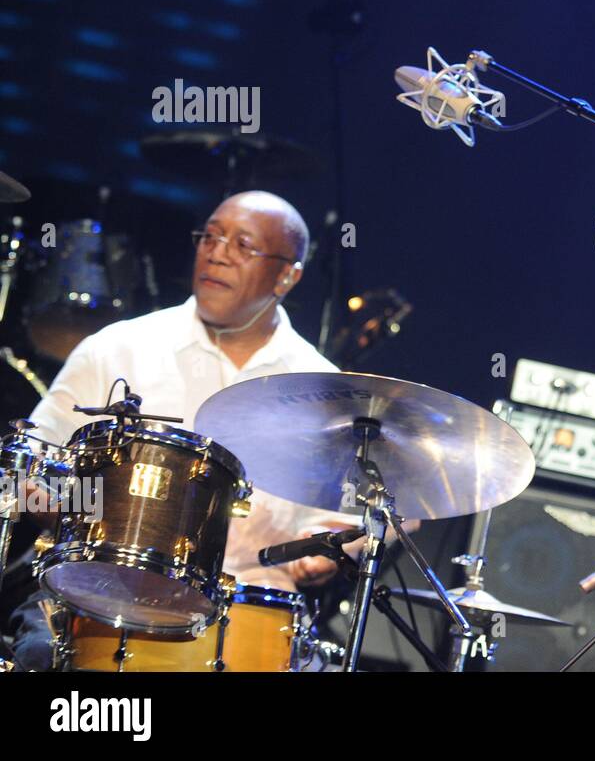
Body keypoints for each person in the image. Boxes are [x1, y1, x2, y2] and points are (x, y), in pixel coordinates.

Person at [8, 191, 352, 670]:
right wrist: (52, 501)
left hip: (249, 613)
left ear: (287, 275)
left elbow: (366, 511)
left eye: (243, 245)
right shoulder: (117, 349)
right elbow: (28, 467)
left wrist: (332, 546)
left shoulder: (327, 394)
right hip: (95, 595)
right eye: (209, 236)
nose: (217, 252)